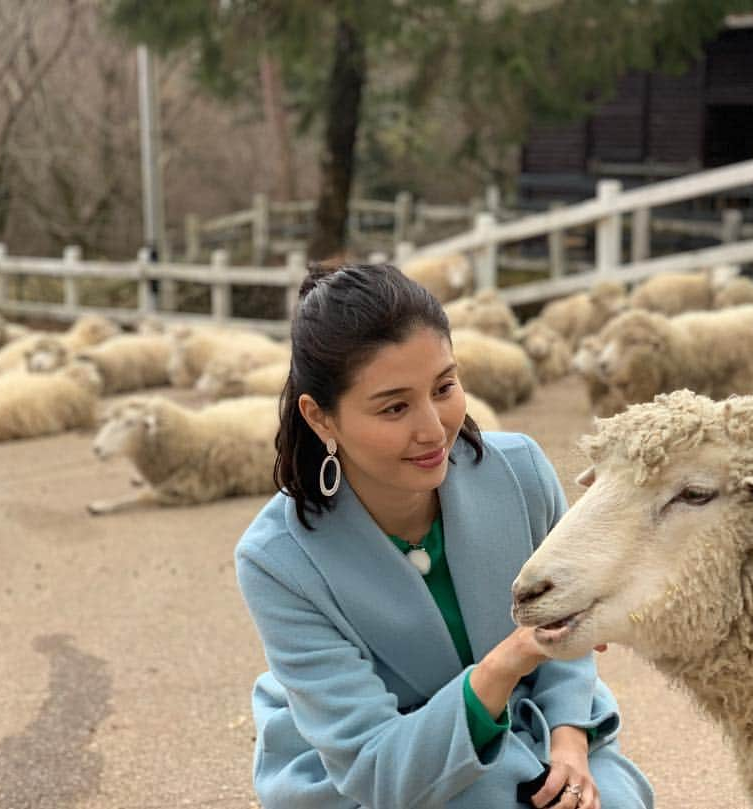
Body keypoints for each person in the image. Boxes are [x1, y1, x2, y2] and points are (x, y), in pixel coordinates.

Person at [235, 263, 654, 809]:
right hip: (371, 773)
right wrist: (512, 657)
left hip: (533, 725)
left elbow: (564, 645)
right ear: (321, 419)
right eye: (394, 407)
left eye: (444, 387)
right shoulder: (278, 561)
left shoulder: (522, 472)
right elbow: (376, 767)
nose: (433, 429)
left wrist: (569, 738)